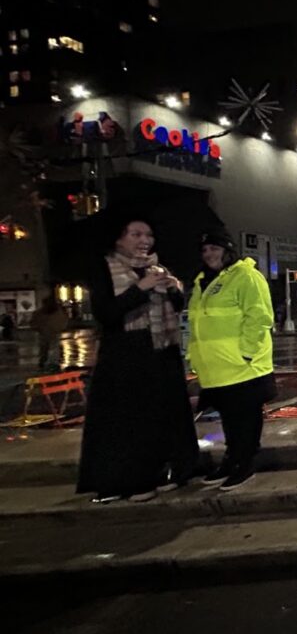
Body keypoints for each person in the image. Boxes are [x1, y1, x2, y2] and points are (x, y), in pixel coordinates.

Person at [77, 215, 199, 503]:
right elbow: (105, 313)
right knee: (132, 421)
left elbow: (178, 307)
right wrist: (139, 289)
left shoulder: (158, 268)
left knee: (165, 416)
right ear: (119, 238)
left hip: (163, 352)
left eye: (149, 235)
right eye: (136, 234)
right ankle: (132, 480)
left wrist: (173, 288)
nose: (145, 240)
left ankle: (170, 470)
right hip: (126, 355)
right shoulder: (105, 267)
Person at [187, 229, 276, 492]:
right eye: (204, 251)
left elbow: (259, 317)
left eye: (214, 249)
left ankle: (244, 463)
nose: (209, 255)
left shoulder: (245, 275)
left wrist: (245, 353)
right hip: (217, 368)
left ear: (227, 251)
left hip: (242, 366)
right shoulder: (203, 281)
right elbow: (197, 324)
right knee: (229, 419)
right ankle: (231, 460)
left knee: (245, 419)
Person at [30, 295, 69, 371]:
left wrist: (38, 328)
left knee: (45, 349)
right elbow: (64, 322)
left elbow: (33, 323)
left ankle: (45, 362)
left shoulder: (39, 313)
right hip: (53, 333)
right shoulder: (58, 312)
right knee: (53, 348)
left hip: (45, 333)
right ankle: (52, 363)